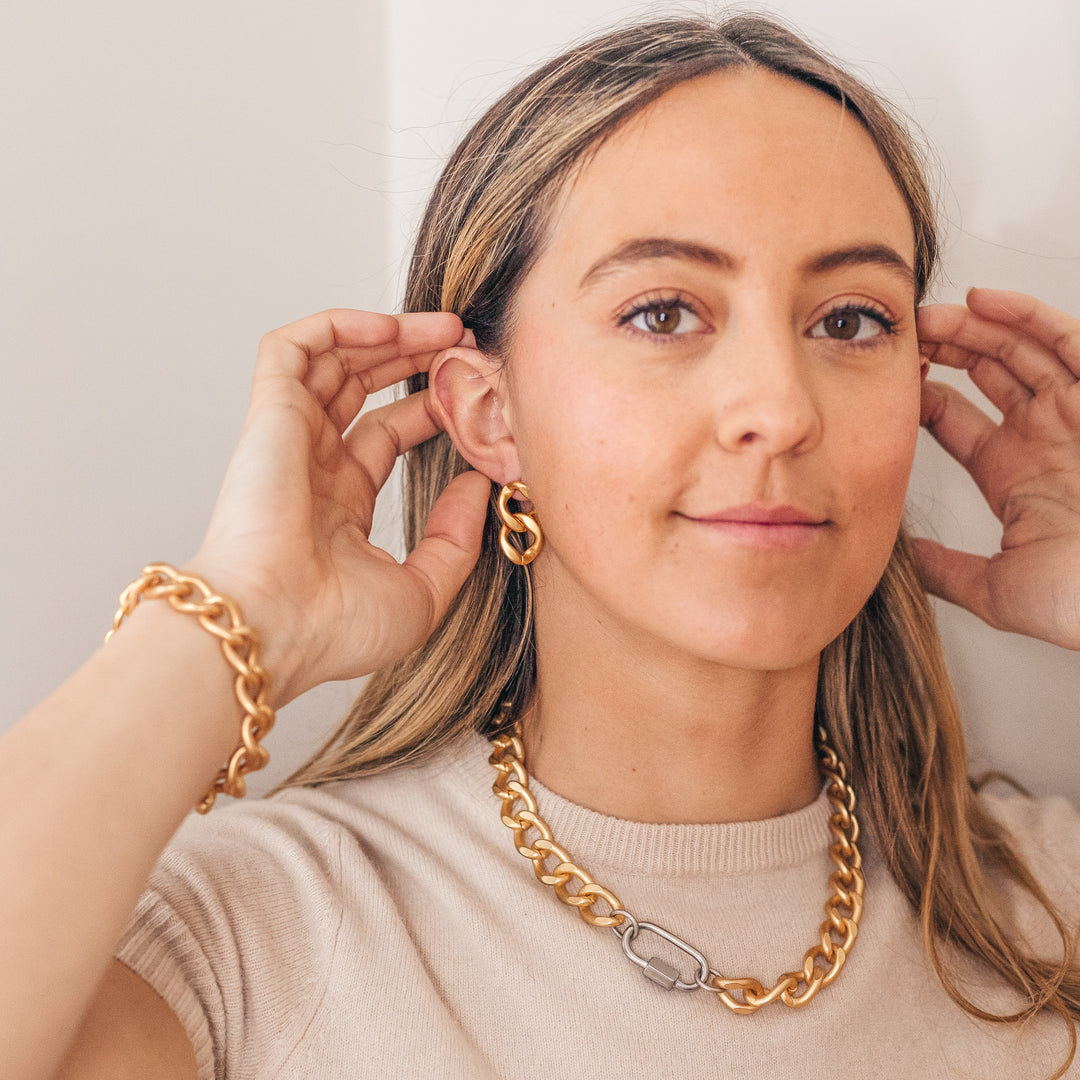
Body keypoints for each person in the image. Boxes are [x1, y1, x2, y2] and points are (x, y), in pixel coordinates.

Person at [4, 12, 1080, 1080]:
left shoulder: (1048, 907)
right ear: (490, 415)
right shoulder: (255, 936)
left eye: (851, 321)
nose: (781, 410)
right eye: (664, 313)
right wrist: (235, 616)